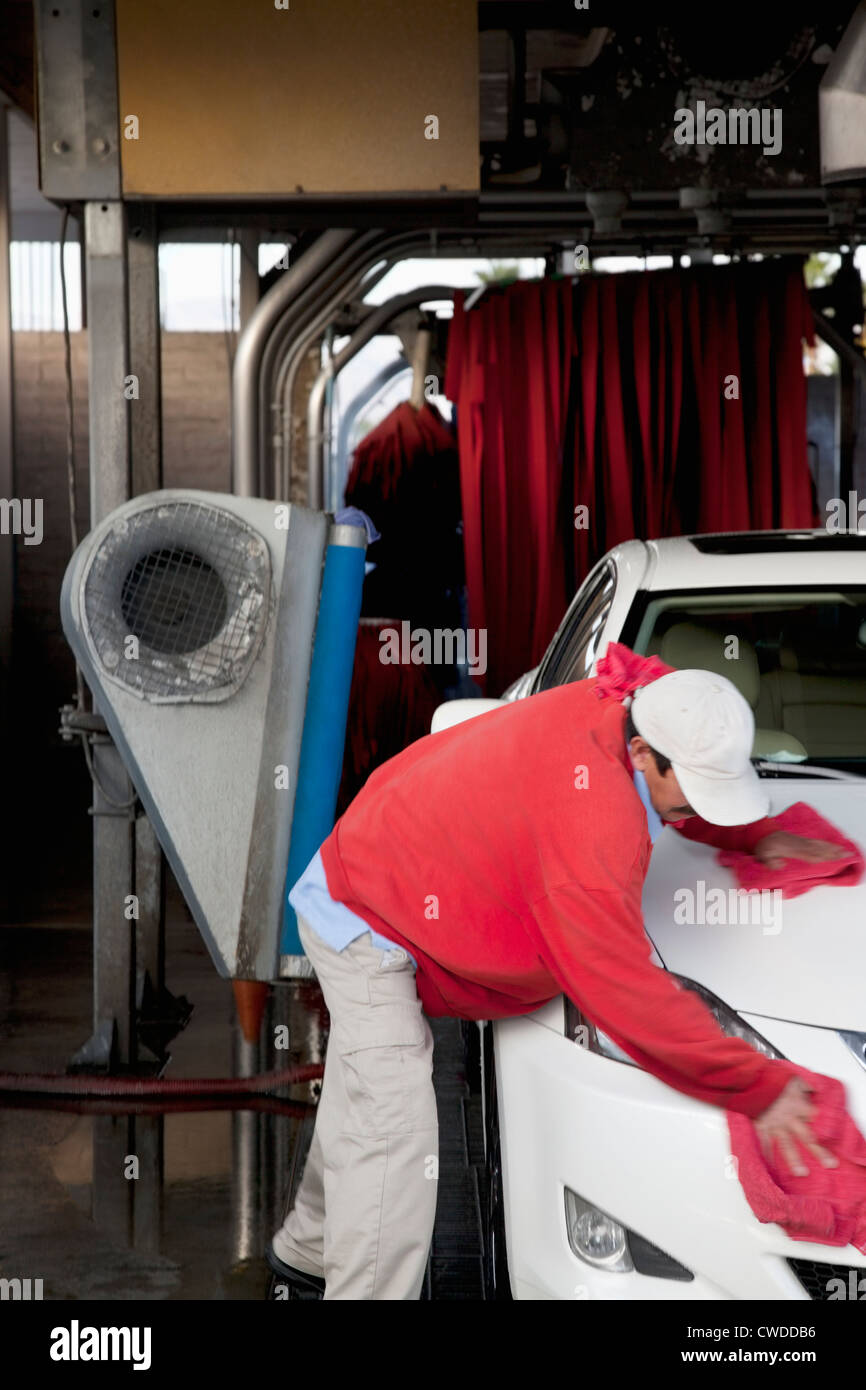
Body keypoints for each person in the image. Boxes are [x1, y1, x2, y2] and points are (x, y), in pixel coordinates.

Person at [267, 644, 844, 1300]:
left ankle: (307, 1248)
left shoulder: (636, 703)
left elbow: (686, 781)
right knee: (395, 1134)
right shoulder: (593, 827)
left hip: (386, 853)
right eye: (695, 795)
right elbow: (630, 1000)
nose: (697, 812)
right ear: (641, 755)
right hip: (368, 912)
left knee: (362, 1093)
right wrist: (758, 1084)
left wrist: (750, 835)